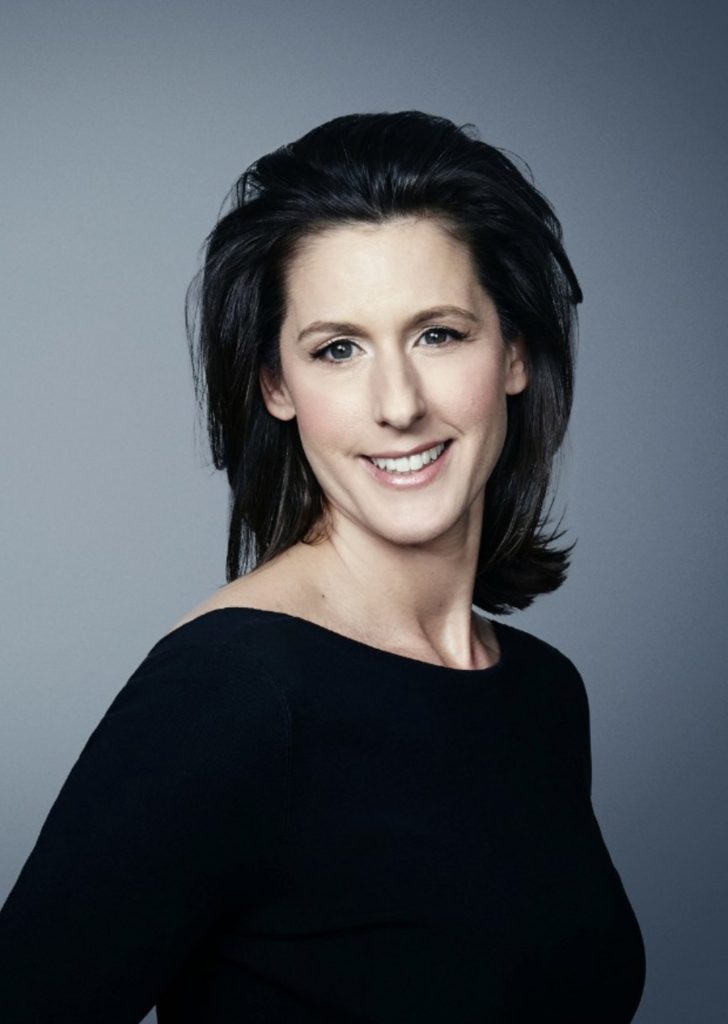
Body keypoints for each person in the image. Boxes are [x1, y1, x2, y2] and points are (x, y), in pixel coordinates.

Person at [0, 111, 646, 1023]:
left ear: (514, 352)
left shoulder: (542, 693)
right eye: (337, 349)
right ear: (276, 385)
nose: (397, 404)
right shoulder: (231, 695)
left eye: (438, 334)